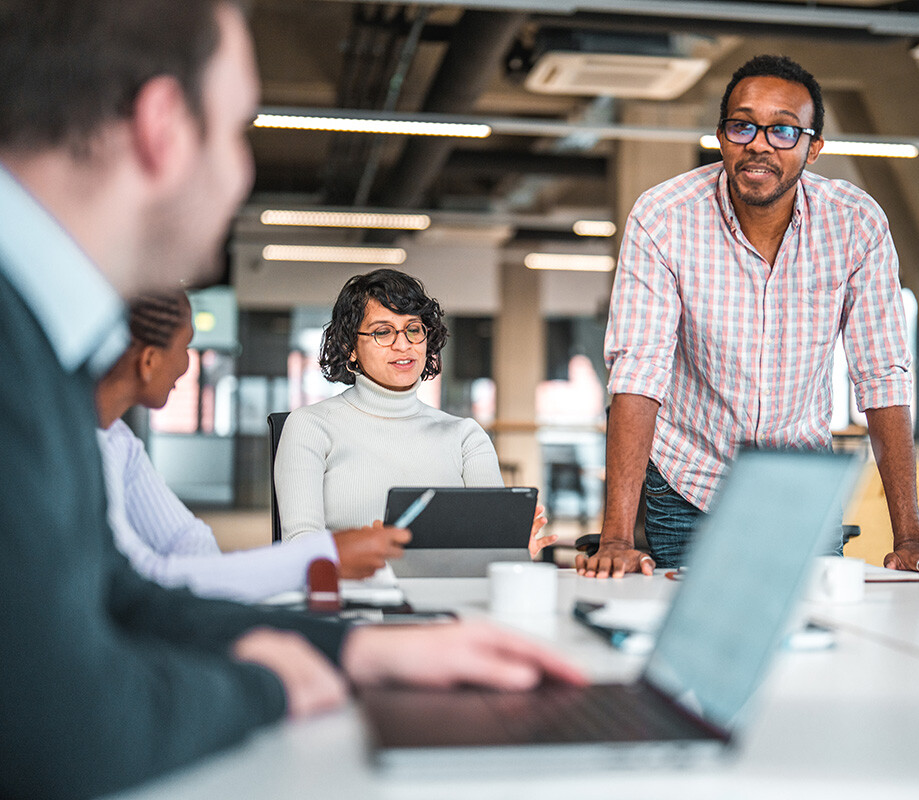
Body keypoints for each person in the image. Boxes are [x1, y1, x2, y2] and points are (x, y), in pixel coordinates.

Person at [0, 4, 583, 798]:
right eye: (239, 128)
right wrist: (273, 687)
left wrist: (354, 654)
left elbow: (122, 594)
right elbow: (63, 730)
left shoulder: (43, 347)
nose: (243, 170)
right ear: (162, 127)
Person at [580, 54, 919, 579]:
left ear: (813, 148)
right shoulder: (663, 217)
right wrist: (618, 538)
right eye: (742, 125)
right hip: (687, 477)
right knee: (687, 639)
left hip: (798, 483)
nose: (759, 143)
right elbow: (637, 373)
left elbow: (881, 376)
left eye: (783, 130)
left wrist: (910, 538)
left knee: (809, 636)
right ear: (721, 136)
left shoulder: (856, 224)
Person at [97, 292, 415, 601]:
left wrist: (225, 593)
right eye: (186, 347)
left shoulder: (118, 439)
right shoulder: (77, 447)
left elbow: (185, 539)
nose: (185, 364)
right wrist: (322, 556)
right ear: (149, 361)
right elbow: (138, 577)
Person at [275, 268, 554, 557]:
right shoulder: (310, 426)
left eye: (413, 329)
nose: (403, 344)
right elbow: (300, 548)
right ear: (350, 347)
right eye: (383, 332)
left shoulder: (465, 437)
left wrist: (510, 550)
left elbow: (486, 550)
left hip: (446, 598)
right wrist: (360, 550)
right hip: (352, 598)